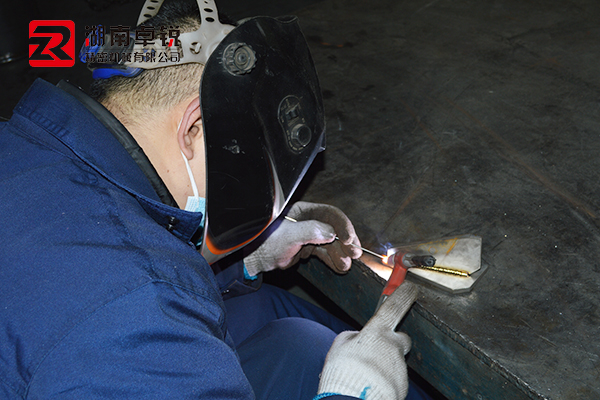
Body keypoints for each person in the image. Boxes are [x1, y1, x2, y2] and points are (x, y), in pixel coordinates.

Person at [0, 0, 424, 399]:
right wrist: (350, 392)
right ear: (192, 128)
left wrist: (244, 260)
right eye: (245, 164)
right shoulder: (140, 315)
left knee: (290, 329)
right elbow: (130, 293)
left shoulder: (25, 145)